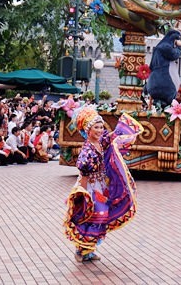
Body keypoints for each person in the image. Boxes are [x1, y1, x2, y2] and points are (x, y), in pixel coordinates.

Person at [64, 106, 142, 263]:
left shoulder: (101, 143)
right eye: (96, 127)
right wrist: (84, 195)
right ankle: (82, 250)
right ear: (88, 130)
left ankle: (88, 250)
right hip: (91, 188)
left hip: (101, 186)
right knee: (92, 216)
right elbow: (84, 175)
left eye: (101, 127)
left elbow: (112, 138)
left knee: (101, 217)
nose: (100, 130)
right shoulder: (87, 151)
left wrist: (123, 131)